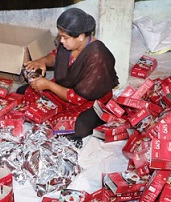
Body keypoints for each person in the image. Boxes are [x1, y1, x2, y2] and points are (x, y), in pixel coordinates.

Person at [21, 8, 119, 144]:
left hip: (88, 99)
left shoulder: (98, 57)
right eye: (61, 36)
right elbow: (56, 56)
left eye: (65, 37)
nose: (61, 41)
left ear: (80, 36)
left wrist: (48, 85)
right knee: (23, 91)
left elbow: (78, 98)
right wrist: (42, 61)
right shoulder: (70, 44)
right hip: (64, 87)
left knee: (79, 127)